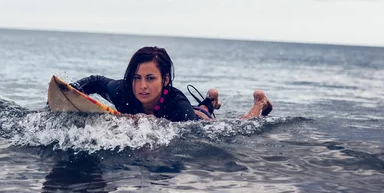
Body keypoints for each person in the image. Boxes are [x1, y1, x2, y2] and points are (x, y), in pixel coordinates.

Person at [70, 46, 272, 122]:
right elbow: (96, 81)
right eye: (137, 78)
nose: (142, 86)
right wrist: (70, 92)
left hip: (197, 119)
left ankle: (259, 103)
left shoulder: (177, 106)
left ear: (165, 80)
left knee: (236, 123)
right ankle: (211, 98)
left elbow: (197, 137)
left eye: (150, 78)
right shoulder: (123, 90)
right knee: (204, 105)